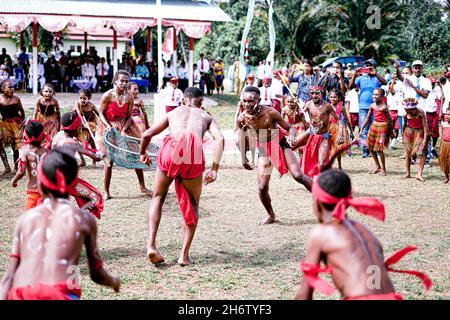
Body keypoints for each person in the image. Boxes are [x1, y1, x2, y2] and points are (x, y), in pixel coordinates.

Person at [0, 149, 120, 300]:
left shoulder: (25, 220)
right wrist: (114, 281)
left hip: (21, 294)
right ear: (72, 183)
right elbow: (96, 273)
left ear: (40, 185)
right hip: (61, 294)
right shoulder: (82, 219)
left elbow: (8, 278)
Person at [294, 169, 432, 300]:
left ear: (317, 202)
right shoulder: (365, 231)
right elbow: (374, 284)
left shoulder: (321, 233)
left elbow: (304, 294)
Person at [139, 87, 224, 266]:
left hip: (172, 149)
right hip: (192, 154)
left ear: (184, 100)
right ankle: (183, 256)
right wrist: (214, 168)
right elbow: (220, 139)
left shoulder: (174, 112)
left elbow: (147, 134)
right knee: (193, 203)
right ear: (201, 103)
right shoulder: (206, 116)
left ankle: (151, 246)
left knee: (158, 196)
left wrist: (142, 153)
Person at [236, 86, 313, 225]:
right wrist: (243, 159)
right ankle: (271, 215)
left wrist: (292, 136)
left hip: (280, 142)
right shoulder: (242, 118)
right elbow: (240, 138)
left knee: (298, 175)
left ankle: (326, 201)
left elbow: (290, 128)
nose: (247, 104)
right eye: (245, 101)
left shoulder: (270, 112)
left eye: (251, 101)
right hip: (264, 147)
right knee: (262, 187)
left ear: (258, 101)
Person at [97, 70, 151, 199]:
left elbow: (128, 117)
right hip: (109, 127)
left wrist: (124, 130)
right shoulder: (107, 95)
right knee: (109, 160)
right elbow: (101, 113)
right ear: (115, 81)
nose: (124, 83)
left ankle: (142, 187)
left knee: (135, 155)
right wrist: (109, 126)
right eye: (122, 81)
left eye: (126, 81)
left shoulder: (129, 97)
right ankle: (106, 192)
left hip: (126, 127)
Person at [294, 86, 339, 178]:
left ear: (321, 94)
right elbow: (297, 118)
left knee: (322, 163)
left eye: (317, 93)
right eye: (312, 93)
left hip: (324, 137)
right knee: (291, 145)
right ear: (310, 94)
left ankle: (324, 180)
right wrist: (296, 108)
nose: (314, 95)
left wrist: (341, 134)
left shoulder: (327, 105)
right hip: (311, 134)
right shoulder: (308, 104)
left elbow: (339, 120)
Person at [349, 59, 387, 158]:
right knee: (364, 130)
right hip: (363, 107)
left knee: (376, 129)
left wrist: (376, 73)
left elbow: (385, 82)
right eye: (366, 66)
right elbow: (350, 86)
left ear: (374, 67)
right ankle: (365, 151)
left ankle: (377, 150)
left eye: (370, 66)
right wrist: (354, 75)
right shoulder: (361, 78)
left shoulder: (377, 77)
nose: (368, 68)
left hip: (376, 108)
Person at [11, 121, 49, 210]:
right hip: (47, 192)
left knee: (30, 219)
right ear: (43, 136)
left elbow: (21, 171)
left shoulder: (25, 152)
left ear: (25, 137)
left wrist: (14, 180)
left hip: (33, 193)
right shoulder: (48, 152)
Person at [360, 88, 393, 176]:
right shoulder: (372, 105)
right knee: (371, 148)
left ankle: (383, 169)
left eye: (377, 94)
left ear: (382, 96)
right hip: (374, 126)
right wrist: (361, 129)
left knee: (379, 149)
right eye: (373, 94)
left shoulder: (384, 107)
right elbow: (367, 118)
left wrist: (391, 132)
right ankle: (377, 166)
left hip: (383, 127)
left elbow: (390, 120)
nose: (374, 96)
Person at [0, 80, 25, 174]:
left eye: (13, 87)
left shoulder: (16, 99)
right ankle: (7, 167)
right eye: (9, 87)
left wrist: (21, 124)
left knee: (15, 146)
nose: (12, 89)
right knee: (1, 144)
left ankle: (16, 166)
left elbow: (22, 112)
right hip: (5, 124)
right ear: (3, 89)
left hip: (16, 124)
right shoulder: (0, 100)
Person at [402, 98, 428, 181]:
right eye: (407, 110)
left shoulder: (420, 113)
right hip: (409, 132)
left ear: (415, 108)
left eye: (411, 110)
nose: (409, 112)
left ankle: (419, 173)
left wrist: (424, 139)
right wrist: (404, 136)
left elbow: (424, 126)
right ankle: (408, 173)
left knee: (424, 151)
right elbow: (405, 125)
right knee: (408, 152)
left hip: (420, 132)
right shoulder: (405, 114)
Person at [328, 90, 353, 170]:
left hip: (339, 128)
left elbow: (347, 119)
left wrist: (351, 131)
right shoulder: (327, 106)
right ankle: (330, 165)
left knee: (338, 148)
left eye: (335, 97)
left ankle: (339, 165)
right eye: (331, 97)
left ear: (339, 98)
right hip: (330, 128)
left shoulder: (341, 107)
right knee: (330, 148)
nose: (333, 99)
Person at [74, 88, 99, 167]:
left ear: (89, 98)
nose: (82, 100)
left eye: (84, 98)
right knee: (78, 143)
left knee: (92, 143)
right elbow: (78, 114)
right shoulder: (77, 104)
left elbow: (99, 114)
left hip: (91, 126)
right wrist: (83, 123)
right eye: (80, 98)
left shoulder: (91, 106)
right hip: (80, 126)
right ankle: (82, 160)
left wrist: (103, 122)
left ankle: (94, 160)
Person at [439, 106, 450, 184]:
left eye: (449, 114)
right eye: (446, 114)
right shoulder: (443, 124)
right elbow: (442, 133)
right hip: (444, 144)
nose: (446, 115)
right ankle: (447, 177)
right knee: (443, 160)